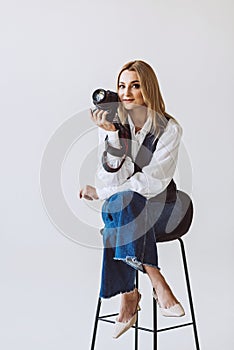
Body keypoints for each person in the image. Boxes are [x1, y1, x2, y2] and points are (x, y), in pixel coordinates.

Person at [79, 60, 193, 339]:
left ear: (148, 89)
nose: (127, 92)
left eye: (135, 85)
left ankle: (130, 295)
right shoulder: (114, 126)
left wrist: (101, 193)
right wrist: (111, 136)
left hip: (165, 209)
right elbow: (110, 178)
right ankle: (156, 280)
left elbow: (151, 182)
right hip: (128, 210)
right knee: (121, 206)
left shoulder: (169, 129)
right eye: (121, 85)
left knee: (118, 209)